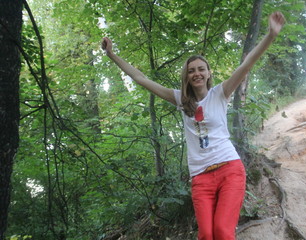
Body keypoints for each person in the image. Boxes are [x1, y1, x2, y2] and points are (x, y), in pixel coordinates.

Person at [102, 11, 285, 240]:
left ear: (209, 73)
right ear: (187, 77)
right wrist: (112, 55)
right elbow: (141, 79)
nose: (196, 73)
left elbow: (246, 65)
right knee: (206, 235)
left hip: (229, 169)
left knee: (222, 231)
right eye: (191, 71)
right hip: (200, 176)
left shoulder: (221, 93)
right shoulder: (180, 99)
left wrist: (270, 36)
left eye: (201, 69)